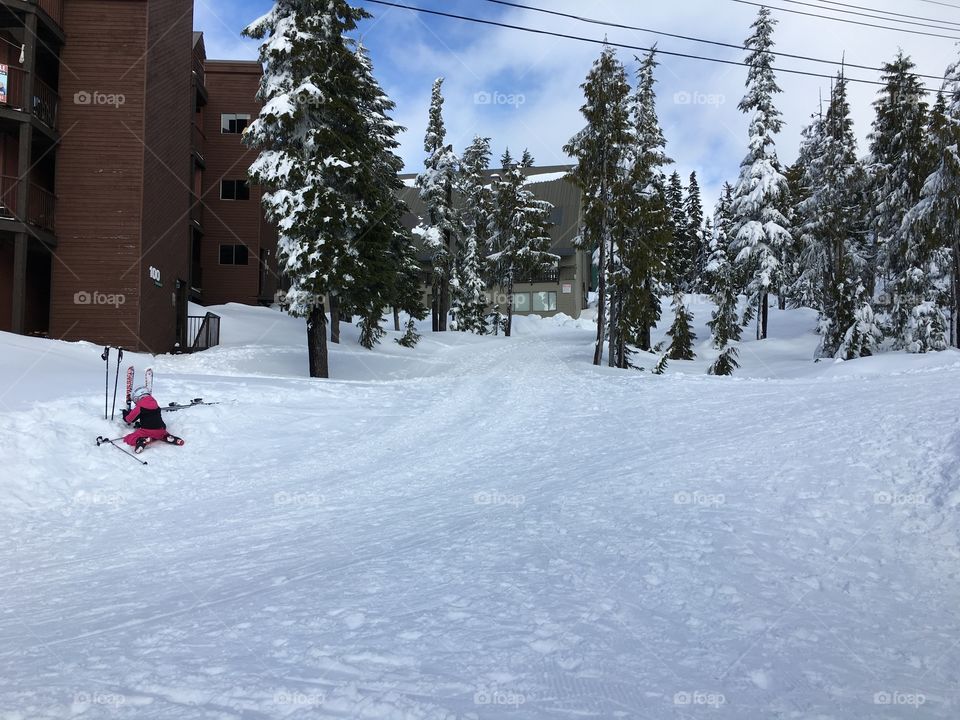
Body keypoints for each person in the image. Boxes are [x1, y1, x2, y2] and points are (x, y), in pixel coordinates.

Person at [122, 387, 185, 454]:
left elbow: (129, 419)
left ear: (137, 398)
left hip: (147, 431)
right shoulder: (156, 405)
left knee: (129, 438)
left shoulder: (140, 407)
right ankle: (166, 437)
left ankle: (141, 440)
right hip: (161, 429)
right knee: (159, 434)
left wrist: (125, 413)